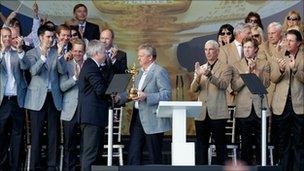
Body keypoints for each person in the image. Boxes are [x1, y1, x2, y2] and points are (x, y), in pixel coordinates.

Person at [118, 43, 172, 165]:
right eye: (138, 56)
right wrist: (118, 97)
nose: (138, 58)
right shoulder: (139, 72)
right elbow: (133, 92)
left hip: (153, 118)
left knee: (154, 156)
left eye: (141, 56)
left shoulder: (159, 71)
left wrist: (147, 96)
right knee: (133, 154)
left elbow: (167, 95)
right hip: (137, 117)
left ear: (150, 57)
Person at [24, 25, 63, 171]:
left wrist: (58, 56)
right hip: (36, 99)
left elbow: (61, 70)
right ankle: (35, 165)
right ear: (40, 37)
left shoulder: (55, 52)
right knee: (36, 133)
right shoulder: (31, 53)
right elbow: (33, 71)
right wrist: (43, 57)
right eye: (48, 37)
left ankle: (51, 165)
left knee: (53, 133)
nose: (51, 39)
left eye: (52, 37)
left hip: (53, 96)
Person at [190, 40, 233, 165]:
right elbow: (193, 90)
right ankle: (201, 168)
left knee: (220, 145)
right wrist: (198, 76)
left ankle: (221, 168)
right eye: (205, 49)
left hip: (218, 112)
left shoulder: (226, 67)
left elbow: (224, 85)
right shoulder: (201, 68)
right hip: (202, 112)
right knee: (201, 145)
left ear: (217, 51)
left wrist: (210, 76)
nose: (208, 52)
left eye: (211, 49)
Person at [231, 37, 270, 165]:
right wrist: (248, 72)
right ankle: (245, 167)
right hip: (244, 109)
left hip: (260, 107)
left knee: (261, 141)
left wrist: (256, 71)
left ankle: (261, 165)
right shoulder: (237, 65)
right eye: (245, 47)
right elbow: (235, 86)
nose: (247, 50)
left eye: (250, 47)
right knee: (245, 143)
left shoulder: (264, 63)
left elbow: (266, 84)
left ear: (256, 50)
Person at [270, 29, 303, 171]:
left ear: (299, 43)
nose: (287, 43)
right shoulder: (279, 55)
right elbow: (273, 78)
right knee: (283, 142)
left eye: (291, 40)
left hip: (299, 105)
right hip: (281, 106)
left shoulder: (302, 57)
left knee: (299, 142)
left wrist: (294, 68)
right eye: (286, 39)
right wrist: (282, 70)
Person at [77, 40, 110, 171]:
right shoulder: (91, 66)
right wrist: (113, 93)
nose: (106, 54)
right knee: (90, 154)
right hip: (92, 117)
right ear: (96, 53)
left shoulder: (92, 66)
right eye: (104, 52)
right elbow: (100, 89)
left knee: (94, 153)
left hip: (93, 117)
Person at [0, 27, 27, 171]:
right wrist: (3, 52)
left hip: (17, 100)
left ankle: (15, 167)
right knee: (1, 135)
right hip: (2, 101)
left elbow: (25, 66)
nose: (7, 39)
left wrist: (20, 50)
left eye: (9, 36)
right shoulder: (0, 53)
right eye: (4, 36)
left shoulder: (17, 53)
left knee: (17, 136)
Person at [59, 38, 85, 171]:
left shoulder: (89, 65)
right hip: (69, 111)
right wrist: (75, 78)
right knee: (69, 145)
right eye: (75, 51)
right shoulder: (66, 65)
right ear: (71, 51)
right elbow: (62, 87)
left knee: (85, 145)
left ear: (84, 52)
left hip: (85, 110)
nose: (78, 54)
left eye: (80, 51)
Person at [218, 23, 251, 106]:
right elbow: (222, 73)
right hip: (232, 96)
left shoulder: (253, 49)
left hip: (249, 95)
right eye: (248, 33)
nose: (251, 35)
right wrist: (232, 90)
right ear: (239, 33)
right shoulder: (224, 50)